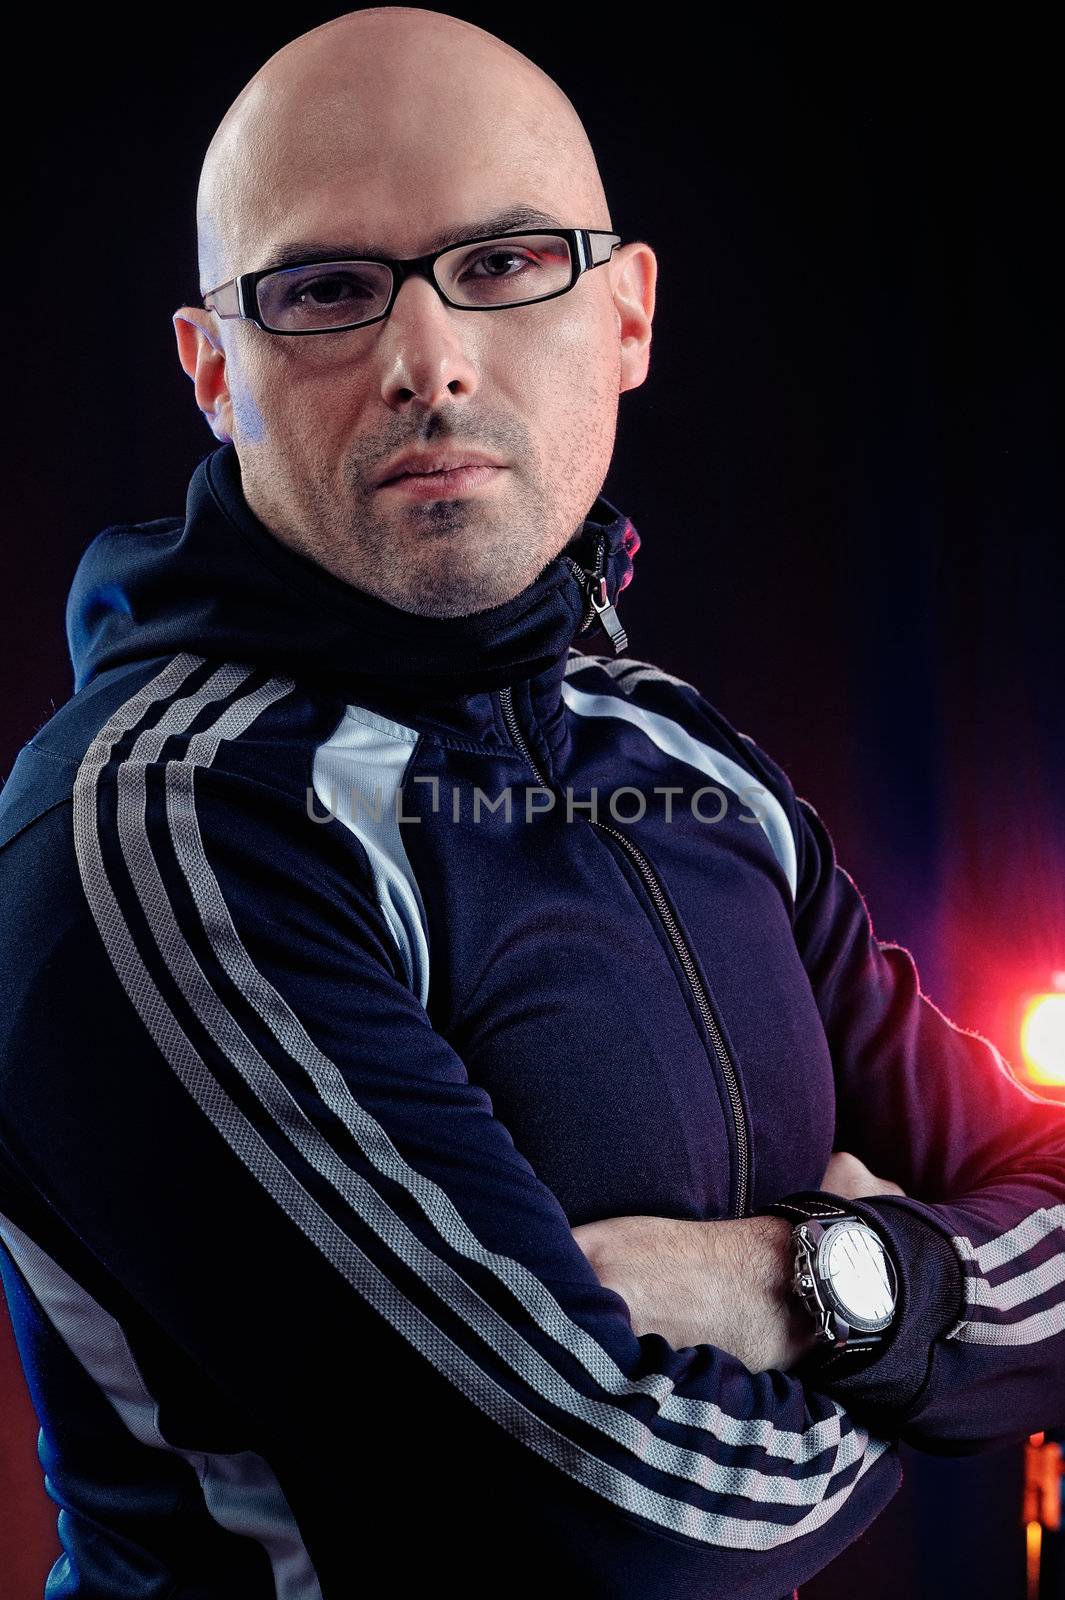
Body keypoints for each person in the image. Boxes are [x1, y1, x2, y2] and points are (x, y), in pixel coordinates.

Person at [1, 8, 1062, 1597]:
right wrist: (940, 1368)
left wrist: (791, 1286)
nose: (427, 359)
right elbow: (618, 1524)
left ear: (626, 315)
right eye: (326, 290)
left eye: (505, 264)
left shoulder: (687, 765)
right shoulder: (159, 829)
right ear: (214, 370)